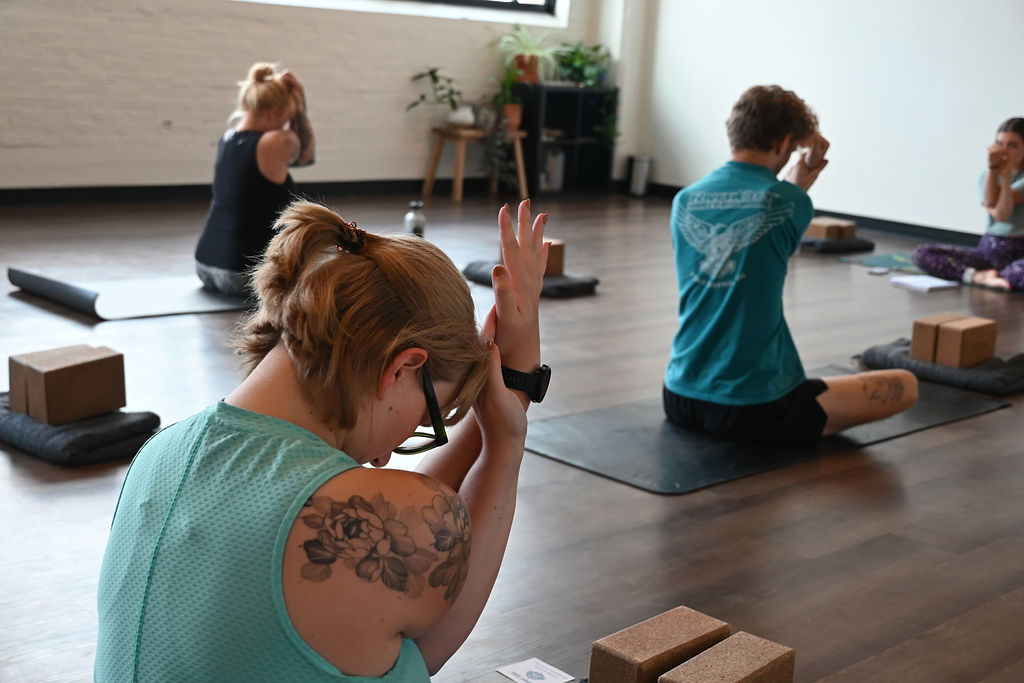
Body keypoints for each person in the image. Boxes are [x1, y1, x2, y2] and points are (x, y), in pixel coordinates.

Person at [96, 198, 551, 681]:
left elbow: (402, 537)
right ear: (402, 367)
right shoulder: (370, 517)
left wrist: (508, 394)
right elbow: (427, 608)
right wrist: (505, 447)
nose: (383, 459)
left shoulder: (160, 452)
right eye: (428, 417)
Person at [663, 85, 917, 443]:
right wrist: (807, 167)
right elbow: (778, 207)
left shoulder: (684, 200)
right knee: (904, 385)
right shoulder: (790, 200)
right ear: (784, 144)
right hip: (751, 409)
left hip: (679, 396)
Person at [194, 62, 316, 297]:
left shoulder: (228, 138)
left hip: (205, 264)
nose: (286, 125)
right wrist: (300, 103)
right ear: (273, 112)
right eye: (286, 117)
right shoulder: (274, 141)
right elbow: (306, 156)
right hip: (244, 274)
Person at [912, 117, 1024, 290]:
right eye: (999, 143)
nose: (1004, 150)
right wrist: (993, 170)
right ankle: (978, 277)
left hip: (1019, 256)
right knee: (922, 253)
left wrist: (1007, 176)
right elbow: (990, 202)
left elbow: (1002, 214)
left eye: (1012, 145)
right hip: (988, 252)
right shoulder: (986, 176)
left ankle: (1002, 277)